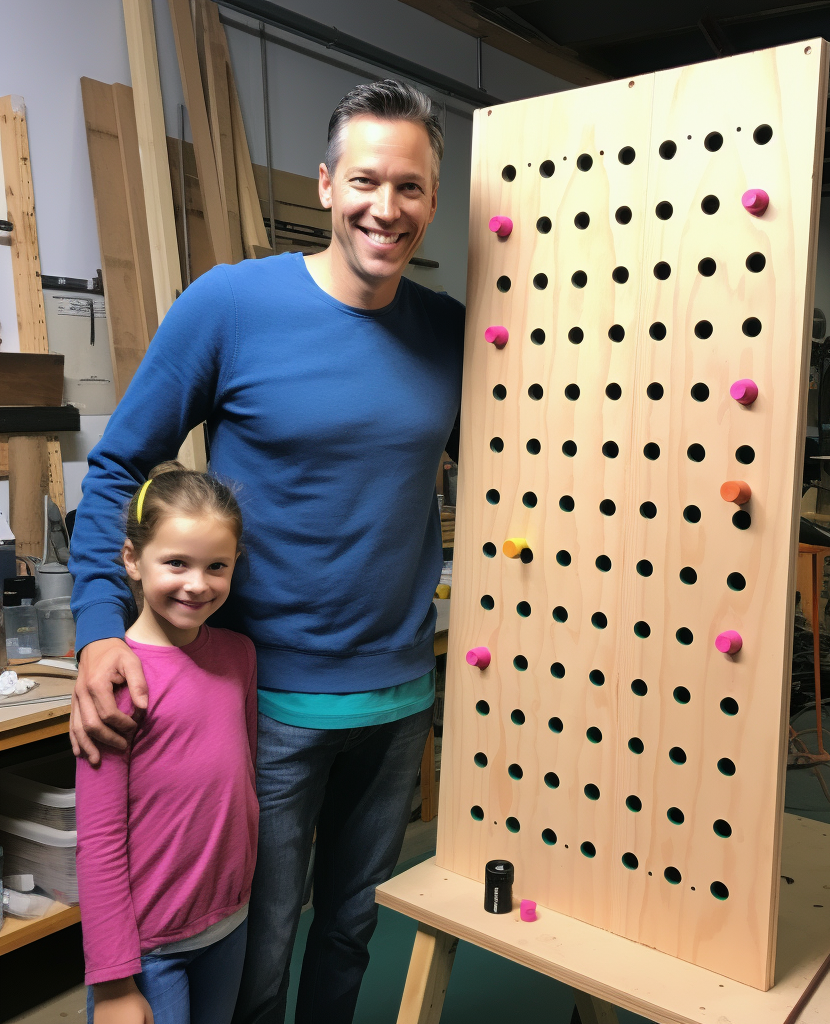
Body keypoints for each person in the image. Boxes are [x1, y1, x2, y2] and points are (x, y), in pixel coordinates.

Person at [69, 80, 463, 1024]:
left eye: (411, 187)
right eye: (366, 180)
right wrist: (95, 630)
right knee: (262, 943)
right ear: (327, 185)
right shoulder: (233, 305)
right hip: (266, 698)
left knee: (353, 927)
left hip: (401, 693)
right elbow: (119, 466)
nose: (387, 207)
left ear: (432, 202)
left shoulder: (448, 333)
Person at [77, 462, 256, 1024]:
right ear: (132, 559)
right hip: (149, 948)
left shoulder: (238, 656)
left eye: (216, 566)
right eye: (176, 562)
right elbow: (99, 840)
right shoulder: (117, 683)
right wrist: (112, 983)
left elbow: (241, 781)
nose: (197, 583)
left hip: (228, 923)